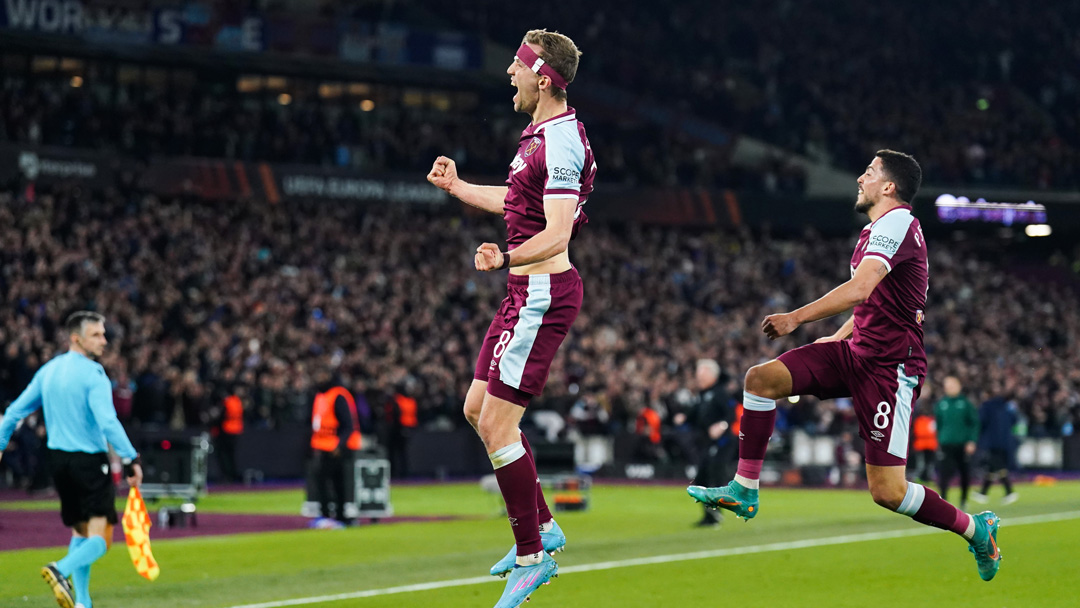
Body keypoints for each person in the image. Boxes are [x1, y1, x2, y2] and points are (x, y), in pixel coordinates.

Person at [687, 151, 1002, 582]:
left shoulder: (898, 223)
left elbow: (861, 288)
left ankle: (975, 529)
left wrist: (796, 318)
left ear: (888, 186)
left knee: (887, 492)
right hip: (855, 354)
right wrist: (837, 338)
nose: (860, 177)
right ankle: (745, 489)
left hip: (891, 369)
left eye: (869, 172)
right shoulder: (879, 230)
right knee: (761, 380)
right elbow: (876, 298)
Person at [427, 28, 593, 608]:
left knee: (499, 426)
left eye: (517, 67)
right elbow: (517, 203)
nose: (509, 75)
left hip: (543, 292)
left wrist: (507, 256)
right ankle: (543, 526)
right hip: (524, 292)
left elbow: (557, 231)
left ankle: (531, 557)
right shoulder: (538, 136)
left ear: (543, 76)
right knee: (476, 410)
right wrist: (458, 188)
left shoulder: (563, 141)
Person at [0, 311, 143, 608]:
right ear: (76, 338)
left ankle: (83, 602)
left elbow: (14, 411)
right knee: (101, 538)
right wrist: (131, 458)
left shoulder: (48, 371)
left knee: (81, 531)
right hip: (89, 462)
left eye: (104, 334)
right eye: (97, 335)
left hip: (59, 463)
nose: (104, 340)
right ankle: (59, 569)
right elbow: (108, 422)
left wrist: (0, 443)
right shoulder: (94, 374)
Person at [683, 359, 734, 527]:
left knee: (713, 475)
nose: (698, 377)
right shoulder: (702, 395)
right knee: (703, 478)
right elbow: (696, 416)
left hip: (720, 443)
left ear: (712, 375)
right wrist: (683, 418)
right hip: (706, 442)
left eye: (701, 373)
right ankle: (710, 515)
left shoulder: (719, 393)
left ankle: (715, 513)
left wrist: (722, 425)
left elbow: (730, 414)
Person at [310, 381, 361, 526]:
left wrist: (339, 446)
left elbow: (348, 425)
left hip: (335, 448)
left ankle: (338, 516)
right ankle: (330, 515)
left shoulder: (338, 395)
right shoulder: (322, 396)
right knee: (323, 482)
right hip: (322, 445)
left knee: (337, 482)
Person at [935, 376, 978, 509]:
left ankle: (964, 500)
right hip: (946, 445)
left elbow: (974, 423)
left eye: (951, 385)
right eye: (946, 385)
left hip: (962, 445)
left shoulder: (965, 403)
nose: (949, 387)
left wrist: (972, 441)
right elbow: (938, 424)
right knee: (943, 474)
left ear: (958, 386)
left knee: (965, 473)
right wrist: (939, 439)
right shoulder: (941, 404)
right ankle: (943, 501)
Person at [974, 390, 1019, 505]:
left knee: (998, 466)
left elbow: (980, 422)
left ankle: (1009, 491)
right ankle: (983, 493)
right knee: (992, 467)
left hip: (992, 441)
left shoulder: (986, 407)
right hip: (1005, 441)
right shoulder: (1006, 406)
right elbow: (1015, 420)